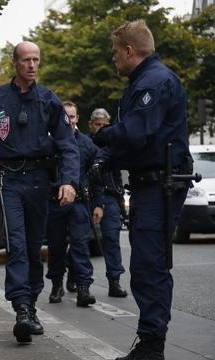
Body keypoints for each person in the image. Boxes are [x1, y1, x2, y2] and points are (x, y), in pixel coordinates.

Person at [0, 41, 79, 344]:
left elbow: (68, 143)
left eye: (36, 60)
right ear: (14, 63)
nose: (32, 65)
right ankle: (21, 309)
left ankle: (31, 303)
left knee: (31, 247)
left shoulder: (49, 100)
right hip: (9, 180)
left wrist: (69, 181)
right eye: (26, 60)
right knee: (14, 244)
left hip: (40, 180)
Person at [93, 20, 192, 360]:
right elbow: (134, 140)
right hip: (150, 182)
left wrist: (101, 137)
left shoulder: (154, 81)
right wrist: (104, 158)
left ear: (129, 51)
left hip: (160, 184)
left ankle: (152, 347)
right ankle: (151, 342)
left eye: (115, 52)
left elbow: (136, 132)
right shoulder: (145, 80)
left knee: (150, 264)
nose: (113, 59)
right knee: (148, 263)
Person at [46, 101, 102, 306]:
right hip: (54, 204)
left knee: (80, 245)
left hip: (79, 204)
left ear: (77, 118)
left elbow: (97, 177)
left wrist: (99, 204)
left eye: (72, 116)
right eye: (65, 116)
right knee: (56, 247)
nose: (68, 120)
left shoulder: (87, 144)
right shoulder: (49, 143)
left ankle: (83, 288)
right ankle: (57, 285)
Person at [87, 108, 128, 298]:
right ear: (91, 125)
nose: (102, 128)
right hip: (88, 197)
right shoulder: (85, 144)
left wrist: (120, 199)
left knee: (111, 239)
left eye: (105, 125)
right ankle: (75, 275)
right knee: (81, 240)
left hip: (110, 197)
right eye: (98, 125)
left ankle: (114, 281)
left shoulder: (114, 145)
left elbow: (117, 176)